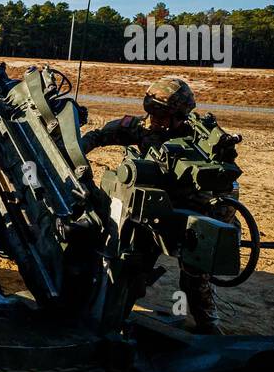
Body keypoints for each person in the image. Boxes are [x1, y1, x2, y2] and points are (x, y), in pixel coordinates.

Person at [81, 76, 232, 334]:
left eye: (161, 113)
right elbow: (99, 136)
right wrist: (76, 154)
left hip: (187, 213)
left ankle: (208, 325)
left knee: (195, 275)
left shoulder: (201, 141)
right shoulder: (141, 128)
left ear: (180, 114)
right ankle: (115, 319)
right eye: (149, 110)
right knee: (131, 267)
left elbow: (223, 188)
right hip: (148, 212)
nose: (153, 118)